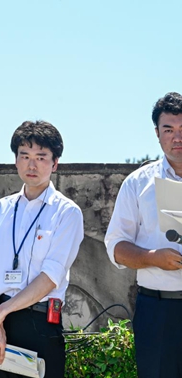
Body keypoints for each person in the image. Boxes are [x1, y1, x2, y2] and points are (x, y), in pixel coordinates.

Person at [0, 121, 84, 378]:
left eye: (41, 157)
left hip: (40, 323)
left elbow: (50, 277)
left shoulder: (67, 212)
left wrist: (0, 313)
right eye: (25, 156)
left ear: (55, 163)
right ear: (16, 160)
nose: (32, 165)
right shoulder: (0, 209)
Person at [104, 92, 182, 378]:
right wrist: (152, 258)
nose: (177, 138)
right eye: (168, 130)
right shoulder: (138, 184)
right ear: (157, 134)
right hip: (156, 310)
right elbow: (115, 246)